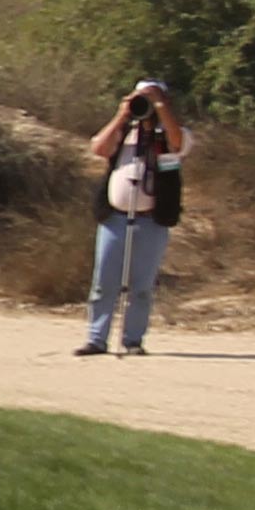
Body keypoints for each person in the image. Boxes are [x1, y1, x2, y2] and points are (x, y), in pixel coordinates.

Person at [79, 78, 191, 356]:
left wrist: (159, 105)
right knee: (104, 282)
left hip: (152, 220)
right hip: (115, 218)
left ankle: (133, 340)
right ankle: (96, 338)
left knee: (141, 286)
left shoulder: (171, 134)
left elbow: (178, 144)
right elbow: (99, 148)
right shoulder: (125, 132)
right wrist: (123, 114)